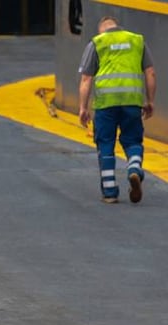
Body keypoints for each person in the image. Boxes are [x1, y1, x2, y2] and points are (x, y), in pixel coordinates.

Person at [78, 15, 156, 204]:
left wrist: (83, 107)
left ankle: (110, 192)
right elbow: (150, 72)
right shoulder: (137, 40)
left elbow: (86, 79)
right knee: (132, 140)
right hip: (131, 102)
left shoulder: (97, 43)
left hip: (106, 104)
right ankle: (134, 169)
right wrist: (150, 101)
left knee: (105, 144)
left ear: (101, 30)